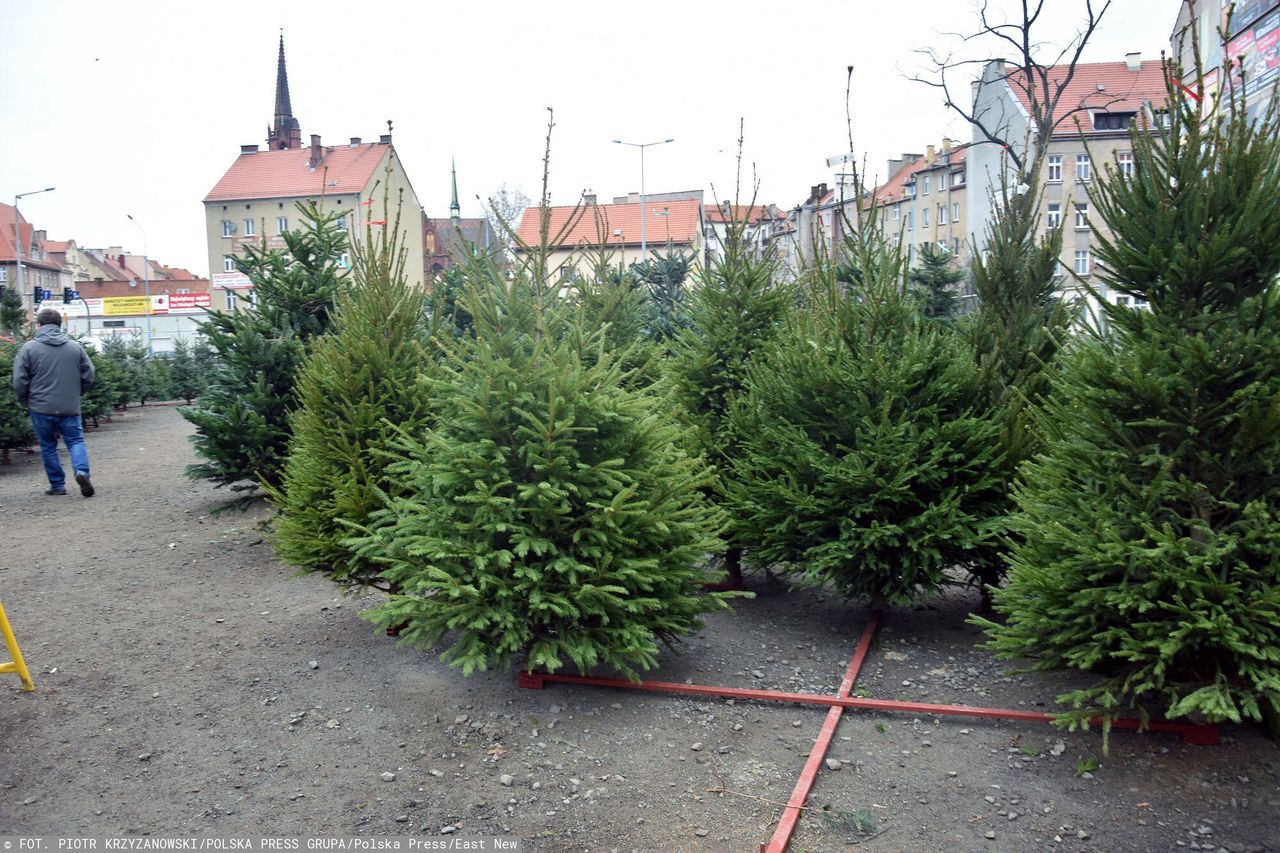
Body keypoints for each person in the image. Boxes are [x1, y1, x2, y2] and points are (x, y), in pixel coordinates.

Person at [11, 307, 96, 497]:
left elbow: (19, 380)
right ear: (60, 324)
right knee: (75, 441)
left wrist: (25, 400)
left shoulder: (29, 348)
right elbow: (89, 374)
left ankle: (57, 485)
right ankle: (82, 471)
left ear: (39, 325)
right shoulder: (75, 347)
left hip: (40, 407)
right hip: (69, 406)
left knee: (48, 446)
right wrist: (77, 393)